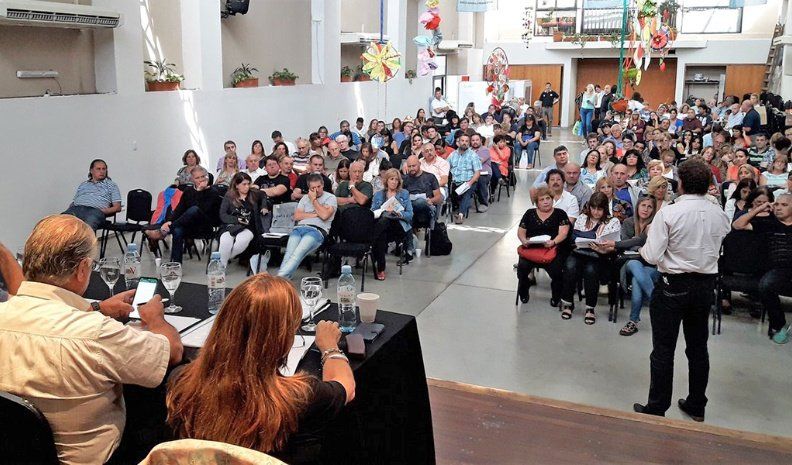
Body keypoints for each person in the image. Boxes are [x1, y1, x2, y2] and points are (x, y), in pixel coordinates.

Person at [0, 214, 182, 465]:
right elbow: (172, 351)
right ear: (82, 269)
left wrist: (96, 308)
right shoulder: (96, 333)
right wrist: (156, 319)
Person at [166, 274, 354, 464]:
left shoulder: (180, 382)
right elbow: (345, 385)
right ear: (282, 338)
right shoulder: (300, 397)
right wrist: (329, 346)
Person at [633, 160, 730, 423]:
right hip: (705, 285)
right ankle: (697, 405)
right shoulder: (719, 213)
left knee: (663, 349)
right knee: (698, 347)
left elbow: (652, 256)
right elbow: (723, 238)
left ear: (682, 184)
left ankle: (657, 406)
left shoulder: (670, 213)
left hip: (673, 285)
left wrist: (642, 249)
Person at [593, 196, 658, 336]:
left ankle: (633, 321)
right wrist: (637, 247)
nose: (646, 209)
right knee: (634, 264)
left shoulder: (655, 225)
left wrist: (631, 244)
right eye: (643, 205)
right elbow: (627, 243)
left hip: (650, 264)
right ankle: (658, 303)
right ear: (637, 206)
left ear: (653, 210)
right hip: (629, 262)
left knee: (637, 280)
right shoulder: (629, 222)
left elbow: (639, 242)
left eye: (649, 207)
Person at [732, 193, 792, 343]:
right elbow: (738, 225)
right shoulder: (769, 223)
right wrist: (760, 208)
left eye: (784, 205)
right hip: (777, 269)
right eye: (776, 204)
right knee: (766, 285)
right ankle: (779, 325)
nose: (779, 208)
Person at [559, 193, 621, 323]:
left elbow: (615, 245)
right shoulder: (582, 218)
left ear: (605, 208)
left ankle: (590, 308)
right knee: (570, 267)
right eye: (593, 208)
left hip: (599, 256)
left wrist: (602, 250)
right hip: (579, 252)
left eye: (599, 209)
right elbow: (574, 238)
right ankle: (568, 303)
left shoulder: (613, 222)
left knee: (591, 271)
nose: (596, 212)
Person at [145, 166, 222, 263]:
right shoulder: (188, 191)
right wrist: (170, 220)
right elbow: (179, 209)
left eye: (203, 176)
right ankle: (176, 265)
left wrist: (199, 191)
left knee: (194, 209)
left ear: (207, 177)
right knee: (178, 230)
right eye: (197, 178)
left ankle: (165, 231)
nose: (201, 180)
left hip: (205, 227)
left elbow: (203, 209)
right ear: (192, 179)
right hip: (189, 225)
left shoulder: (213, 192)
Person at [516, 186, 570, 304]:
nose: (546, 201)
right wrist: (524, 240)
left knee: (557, 271)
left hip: (552, 248)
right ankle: (524, 289)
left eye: (548, 198)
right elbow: (521, 231)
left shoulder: (560, 213)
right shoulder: (529, 213)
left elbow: (564, 233)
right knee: (522, 269)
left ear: (552, 199)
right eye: (542, 199)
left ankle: (556, 296)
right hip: (531, 249)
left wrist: (553, 242)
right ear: (537, 202)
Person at [277, 174, 337, 279]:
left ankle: (277, 280)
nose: (316, 190)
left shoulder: (330, 198)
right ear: (309, 188)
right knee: (289, 254)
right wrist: (316, 214)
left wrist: (313, 200)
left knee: (298, 253)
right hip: (299, 228)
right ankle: (283, 281)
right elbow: (297, 216)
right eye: (313, 188)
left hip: (317, 230)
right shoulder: (305, 198)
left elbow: (324, 216)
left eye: (319, 187)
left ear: (323, 185)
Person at [370, 169, 414, 280]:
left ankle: (370, 243)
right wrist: (383, 211)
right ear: (387, 180)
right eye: (391, 179)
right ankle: (381, 269)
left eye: (396, 180)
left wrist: (398, 213)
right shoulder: (378, 194)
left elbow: (410, 215)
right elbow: (372, 213)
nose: (394, 182)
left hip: (398, 225)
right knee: (382, 233)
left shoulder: (404, 194)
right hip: (383, 228)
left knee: (384, 222)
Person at [63, 159, 122, 231]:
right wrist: (70, 209)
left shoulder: (111, 185)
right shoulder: (83, 184)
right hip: (76, 209)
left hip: (94, 211)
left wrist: (102, 211)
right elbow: (74, 201)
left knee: (86, 229)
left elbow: (117, 207)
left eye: (104, 169)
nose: (102, 171)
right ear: (91, 171)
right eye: (98, 169)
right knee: (59, 223)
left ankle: (84, 238)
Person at [218, 173, 261, 268]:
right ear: (236, 185)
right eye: (244, 184)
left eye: (248, 184)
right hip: (231, 225)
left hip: (248, 226)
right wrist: (237, 219)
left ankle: (223, 259)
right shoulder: (229, 196)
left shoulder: (253, 194)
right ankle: (221, 268)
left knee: (242, 241)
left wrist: (265, 206)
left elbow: (264, 196)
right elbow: (223, 215)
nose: (247, 187)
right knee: (225, 240)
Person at [447, 133, 481, 224]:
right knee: (450, 190)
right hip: (454, 182)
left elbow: (477, 172)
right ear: (458, 142)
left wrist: (469, 183)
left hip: (469, 181)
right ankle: (455, 207)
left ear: (469, 143)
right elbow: (446, 168)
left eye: (466, 141)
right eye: (462, 141)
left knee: (467, 192)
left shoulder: (473, 155)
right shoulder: (452, 154)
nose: (464, 143)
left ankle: (460, 215)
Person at [403, 154, 442, 226]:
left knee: (420, 202)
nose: (411, 168)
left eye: (414, 166)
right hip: (409, 206)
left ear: (419, 164)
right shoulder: (404, 179)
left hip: (426, 206)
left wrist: (430, 200)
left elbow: (438, 197)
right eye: (409, 166)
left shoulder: (430, 177)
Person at [471, 133, 492, 211]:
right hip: (470, 173)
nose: (475, 142)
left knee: (480, 179)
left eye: (477, 140)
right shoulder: (468, 150)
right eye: (473, 140)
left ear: (481, 141)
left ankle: (484, 203)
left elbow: (478, 162)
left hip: (484, 172)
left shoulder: (485, 150)